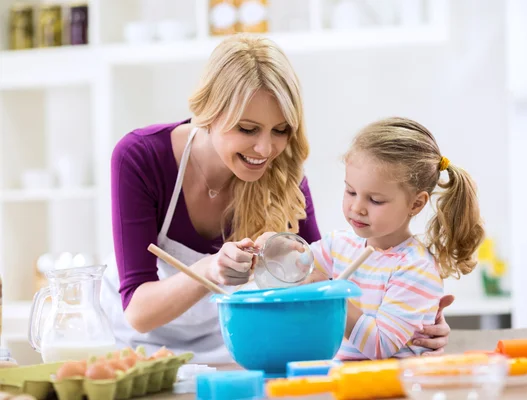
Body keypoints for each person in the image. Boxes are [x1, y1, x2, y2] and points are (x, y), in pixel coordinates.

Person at [99, 34, 453, 364]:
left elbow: (320, 286)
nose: (265, 149)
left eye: (280, 130)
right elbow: (139, 312)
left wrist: (408, 318)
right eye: (247, 129)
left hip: (235, 349)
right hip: (141, 352)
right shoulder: (140, 157)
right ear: (209, 110)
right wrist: (210, 268)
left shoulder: (284, 171)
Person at [258, 117, 485, 360]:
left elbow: (380, 346)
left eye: (375, 200)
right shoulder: (339, 245)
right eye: (350, 191)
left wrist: (329, 295)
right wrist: (275, 248)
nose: (357, 207)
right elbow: (296, 270)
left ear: (416, 204)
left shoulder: (416, 268)